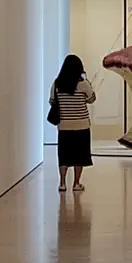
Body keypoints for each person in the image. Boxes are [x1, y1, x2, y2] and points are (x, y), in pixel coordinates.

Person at [50, 55, 96, 192]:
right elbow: (92, 98)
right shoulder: (83, 84)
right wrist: (87, 81)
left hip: (64, 126)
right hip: (81, 125)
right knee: (79, 156)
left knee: (63, 155)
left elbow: (52, 101)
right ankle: (76, 183)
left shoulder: (57, 84)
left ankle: (62, 183)